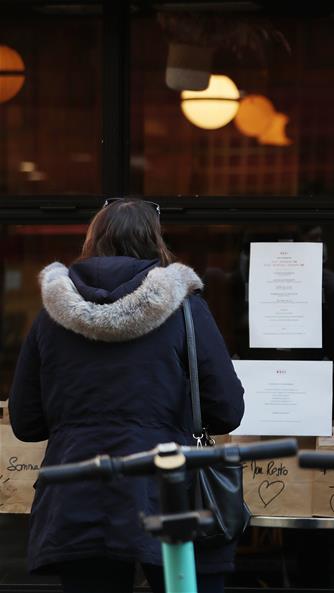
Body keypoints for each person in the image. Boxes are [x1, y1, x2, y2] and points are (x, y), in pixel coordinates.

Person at [8, 198, 245, 593]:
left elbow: (26, 422)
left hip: (77, 488)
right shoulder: (185, 309)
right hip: (167, 490)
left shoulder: (51, 316)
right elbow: (227, 409)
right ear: (155, 241)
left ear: (93, 239)